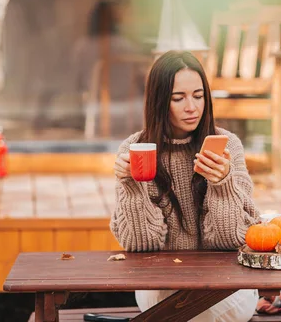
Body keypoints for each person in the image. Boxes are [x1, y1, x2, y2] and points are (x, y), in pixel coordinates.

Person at [111, 50, 260, 321]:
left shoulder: (228, 145)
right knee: (179, 310)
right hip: (161, 287)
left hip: (224, 284)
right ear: (158, 101)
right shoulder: (135, 149)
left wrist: (222, 185)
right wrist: (132, 188)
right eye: (178, 98)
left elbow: (232, 241)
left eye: (199, 96)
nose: (192, 107)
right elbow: (140, 246)